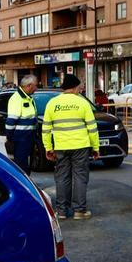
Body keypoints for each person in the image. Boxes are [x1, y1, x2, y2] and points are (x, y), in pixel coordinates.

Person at [42, 74, 100, 220]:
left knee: (62, 177)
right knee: (80, 177)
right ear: (74, 88)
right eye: (79, 88)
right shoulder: (82, 103)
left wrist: (48, 148)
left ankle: (62, 211)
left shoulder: (52, 103)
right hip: (80, 146)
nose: (79, 90)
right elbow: (92, 128)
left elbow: (46, 129)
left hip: (61, 146)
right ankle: (79, 211)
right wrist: (95, 147)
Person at [4, 74, 38, 172]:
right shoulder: (17, 99)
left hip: (28, 137)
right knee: (21, 166)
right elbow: (11, 122)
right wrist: (10, 138)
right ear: (29, 86)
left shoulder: (28, 98)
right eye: (35, 85)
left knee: (26, 165)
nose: (36, 88)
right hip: (20, 139)